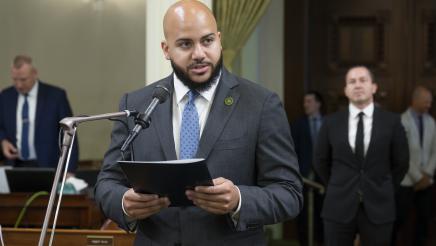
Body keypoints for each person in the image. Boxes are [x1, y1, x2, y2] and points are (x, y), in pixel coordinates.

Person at [94, 1, 303, 245]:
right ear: (166, 49)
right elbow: (106, 184)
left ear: (219, 39)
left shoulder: (261, 104)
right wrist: (124, 203)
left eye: (207, 41)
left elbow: (289, 194)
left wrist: (238, 199)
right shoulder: (137, 103)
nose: (199, 54)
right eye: (185, 44)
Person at [314, 65, 409, 245]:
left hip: (379, 205)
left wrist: (383, 185)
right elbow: (320, 161)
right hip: (338, 205)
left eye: (363, 80)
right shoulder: (330, 123)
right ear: (346, 90)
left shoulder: (392, 122)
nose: (357, 85)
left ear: (374, 87)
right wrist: (338, 183)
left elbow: (401, 163)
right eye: (352, 81)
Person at [0, 55, 78, 171]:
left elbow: (69, 134)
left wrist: (69, 170)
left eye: (23, 79)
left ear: (35, 73)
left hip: (48, 166)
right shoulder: (6, 96)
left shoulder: (55, 96)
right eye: (15, 79)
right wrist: (3, 140)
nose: (19, 85)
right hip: (14, 165)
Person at [392, 86, 436, 246]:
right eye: (426, 102)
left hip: (427, 182)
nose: (429, 105)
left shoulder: (431, 122)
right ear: (415, 100)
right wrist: (418, 177)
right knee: (398, 219)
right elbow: (401, 153)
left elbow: (435, 151)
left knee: (424, 221)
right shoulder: (401, 121)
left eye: (430, 102)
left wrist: (427, 174)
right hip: (406, 181)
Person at [290, 90, 324, 245]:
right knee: (303, 217)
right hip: (303, 178)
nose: (306, 105)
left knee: (322, 215)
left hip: (324, 179)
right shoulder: (298, 125)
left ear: (318, 103)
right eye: (304, 101)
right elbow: (291, 151)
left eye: (309, 101)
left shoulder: (328, 123)